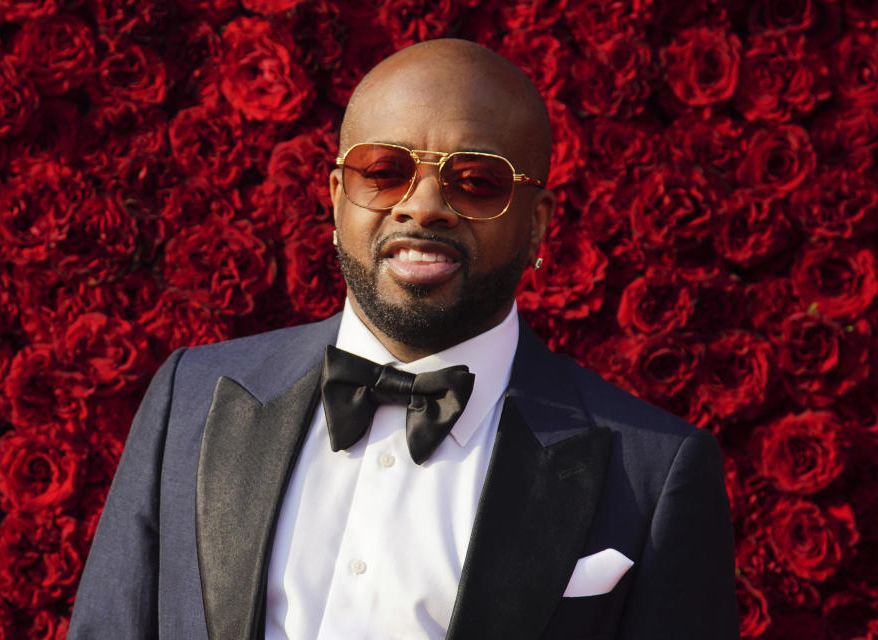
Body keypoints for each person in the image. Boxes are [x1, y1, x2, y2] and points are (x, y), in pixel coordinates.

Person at [68, 39, 739, 640]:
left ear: (537, 226)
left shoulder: (653, 472)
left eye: (476, 182)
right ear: (336, 197)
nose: (423, 204)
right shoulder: (194, 395)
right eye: (384, 171)